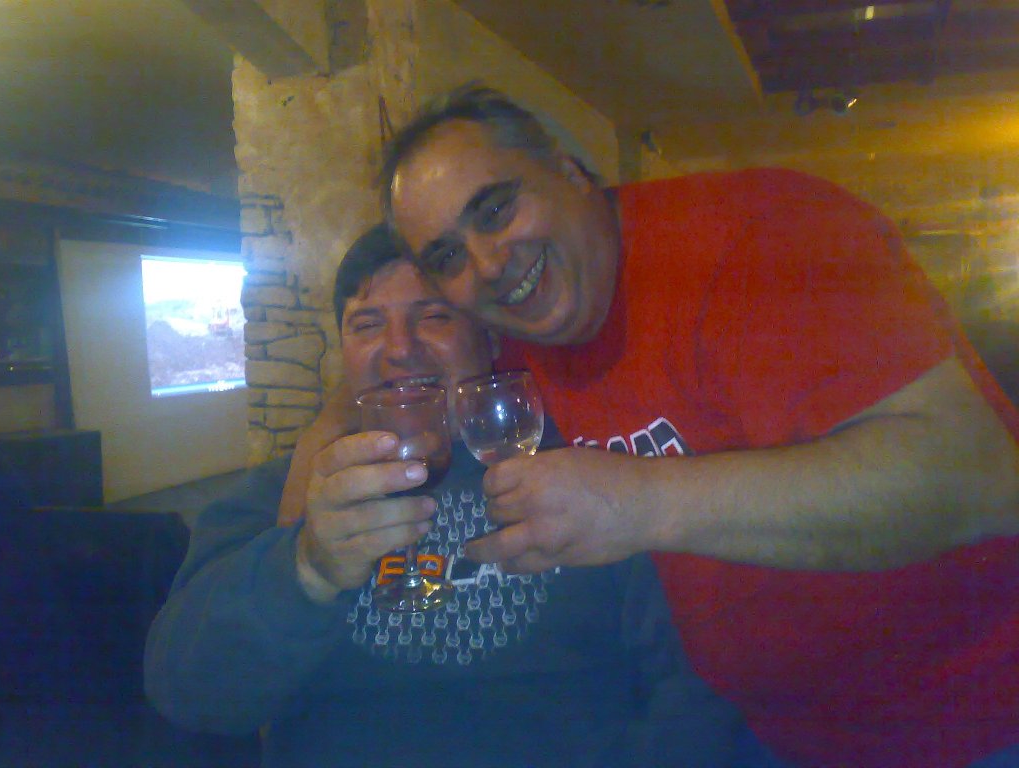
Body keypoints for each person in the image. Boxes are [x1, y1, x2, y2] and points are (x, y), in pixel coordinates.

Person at [379, 85, 1019, 768]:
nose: (488, 264)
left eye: (496, 209)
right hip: (773, 732)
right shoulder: (512, 341)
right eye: (447, 258)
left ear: (569, 169)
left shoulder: (765, 234)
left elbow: (980, 478)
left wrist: (642, 501)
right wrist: (318, 526)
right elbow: (385, 356)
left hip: (978, 714)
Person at [144, 224, 784, 768]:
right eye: (367, 324)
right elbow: (188, 693)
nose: (400, 349)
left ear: (490, 339)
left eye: (434, 316)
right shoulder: (279, 496)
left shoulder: (587, 475)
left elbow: (699, 682)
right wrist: (307, 567)